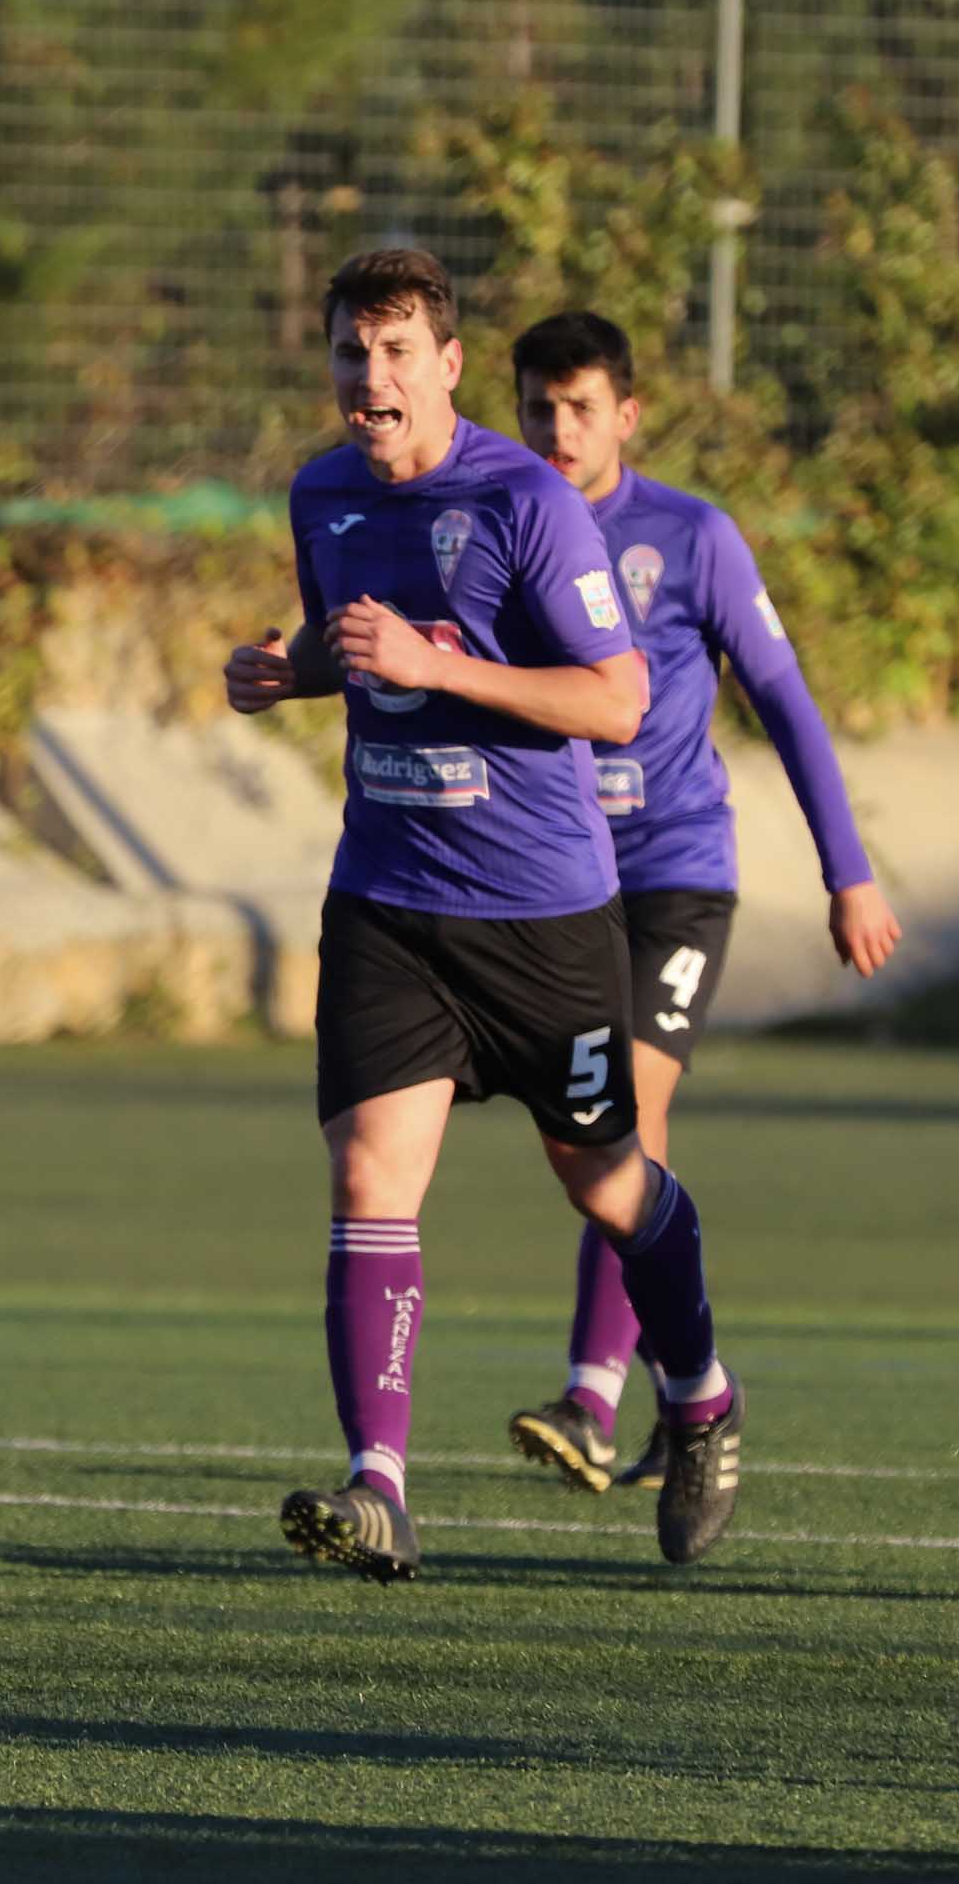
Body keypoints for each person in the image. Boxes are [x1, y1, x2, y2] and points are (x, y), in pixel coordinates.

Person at [222, 250, 744, 1581]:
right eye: (351, 352)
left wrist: (443, 664)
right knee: (367, 1179)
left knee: (606, 1179)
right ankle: (379, 1486)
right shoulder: (323, 493)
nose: (370, 378)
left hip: (543, 918)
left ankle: (697, 1396)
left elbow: (616, 699)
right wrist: (291, 671)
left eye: (397, 354)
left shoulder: (525, 502)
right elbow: (347, 640)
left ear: (449, 367)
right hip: (389, 905)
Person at [499, 310, 900, 1493]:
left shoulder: (691, 535)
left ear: (627, 414)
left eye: (581, 407)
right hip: (558, 879)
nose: (558, 430)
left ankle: (592, 1393)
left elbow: (785, 698)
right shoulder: (504, 525)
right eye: (538, 407)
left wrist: (849, 869)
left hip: (676, 871)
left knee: (623, 1110)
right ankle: (693, 1389)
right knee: (588, 1139)